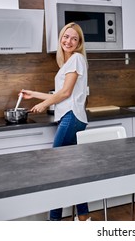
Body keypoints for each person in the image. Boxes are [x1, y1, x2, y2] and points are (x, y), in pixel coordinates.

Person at [21, 22, 91, 221]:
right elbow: (61, 93)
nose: (68, 41)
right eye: (65, 37)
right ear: (61, 38)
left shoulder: (77, 58)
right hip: (72, 117)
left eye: (74, 38)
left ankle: (54, 221)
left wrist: (43, 106)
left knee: (55, 171)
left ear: (79, 43)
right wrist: (33, 94)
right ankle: (84, 216)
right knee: (72, 170)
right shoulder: (67, 63)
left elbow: (66, 93)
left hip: (71, 117)